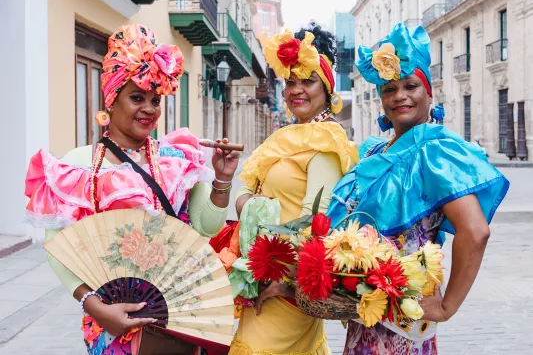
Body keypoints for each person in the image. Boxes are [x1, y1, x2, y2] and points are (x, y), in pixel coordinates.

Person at [24, 24, 241, 355]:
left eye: (155, 100)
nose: (150, 109)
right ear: (111, 100)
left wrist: (222, 180)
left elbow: (205, 227)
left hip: (178, 317)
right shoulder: (79, 165)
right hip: (110, 322)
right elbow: (57, 248)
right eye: (137, 97)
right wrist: (94, 306)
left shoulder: (175, 159)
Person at [327, 22, 509, 354]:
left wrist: (446, 306)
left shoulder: (435, 150)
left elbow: (476, 231)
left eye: (410, 86)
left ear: (429, 93)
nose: (399, 96)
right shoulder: (372, 152)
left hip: (404, 330)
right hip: (364, 323)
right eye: (389, 88)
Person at [228, 24, 359, 355]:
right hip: (264, 280)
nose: (297, 90)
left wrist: (284, 285)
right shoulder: (290, 137)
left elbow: (315, 225)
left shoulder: (325, 144)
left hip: (283, 286)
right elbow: (247, 188)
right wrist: (246, 201)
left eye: (308, 81)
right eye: (291, 82)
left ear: (327, 89)